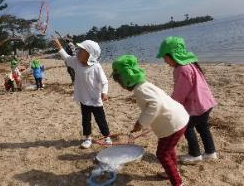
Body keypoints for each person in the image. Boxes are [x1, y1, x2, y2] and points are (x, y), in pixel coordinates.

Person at [112, 55, 189, 186]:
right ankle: (172, 171)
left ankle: (177, 182)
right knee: (169, 150)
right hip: (178, 119)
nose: (121, 86)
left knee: (162, 154)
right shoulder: (145, 85)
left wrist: (140, 123)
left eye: (120, 83)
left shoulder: (140, 89)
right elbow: (153, 105)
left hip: (173, 124)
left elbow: (155, 104)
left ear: (126, 80)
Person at [157, 36, 218, 163]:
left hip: (197, 106)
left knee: (186, 126)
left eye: (165, 57)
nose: (164, 60)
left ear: (173, 55)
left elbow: (180, 93)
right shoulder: (189, 64)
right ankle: (210, 152)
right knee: (202, 127)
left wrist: (171, 105)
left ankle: (195, 154)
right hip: (206, 103)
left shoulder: (182, 69)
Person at [53, 38, 112, 148]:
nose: (78, 51)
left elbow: (104, 82)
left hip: (95, 99)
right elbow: (66, 57)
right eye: (78, 49)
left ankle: (106, 136)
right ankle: (87, 138)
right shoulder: (76, 62)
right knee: (86, 120)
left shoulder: (96, 66)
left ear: (90, 54)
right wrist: (59, 47)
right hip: (83, 99)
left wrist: (104, 92)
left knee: (101, 119)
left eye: (81, 50)